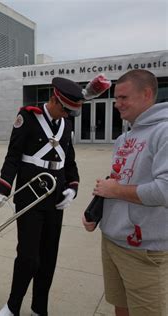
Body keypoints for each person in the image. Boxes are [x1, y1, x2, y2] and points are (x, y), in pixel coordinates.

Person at [0, 77, 84, 316]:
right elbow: (13, 156)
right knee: (28, 257)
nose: (66, 115)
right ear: (54, 99)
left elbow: (69, 160)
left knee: (48, 257)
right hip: (29, 197)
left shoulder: (66, 124)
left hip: (55, 198)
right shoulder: (28, 117)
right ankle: (13, 305)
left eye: (69, 112)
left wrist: (73, 187)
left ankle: (39, 307)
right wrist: (2, 189)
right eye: (64, 109)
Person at [83, 69, 168, 316]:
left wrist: (116, 190)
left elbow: (164, 190)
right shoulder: (125, 138)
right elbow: (119, 181)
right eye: (116, 98)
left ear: (147, 94)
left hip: (144, 250)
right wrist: (96, 212)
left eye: (123, 97)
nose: (117, 104)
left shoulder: (163, 132)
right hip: (112, 240)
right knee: (121, 307)